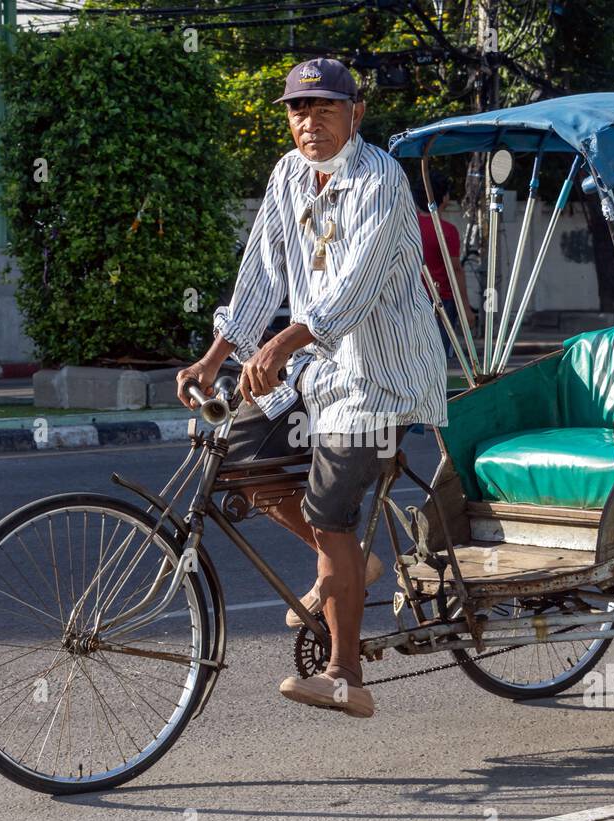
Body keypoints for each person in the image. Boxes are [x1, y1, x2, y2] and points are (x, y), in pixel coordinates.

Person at [175, 58, 447, 718]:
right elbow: (260, 276)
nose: (310, 121)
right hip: (312, 365)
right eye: (299, 109)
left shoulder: (380, 180)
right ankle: (350, 562)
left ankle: (346, 675)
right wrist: (216, 356)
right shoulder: (288, 176)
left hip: (379, 376)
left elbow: (353, 291)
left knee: (330, 515)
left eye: (326, 108)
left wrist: (282, 343)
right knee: (241, 461)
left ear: (356, 114)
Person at [411, 170, 476, 359]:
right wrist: (466, 307)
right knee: (439, 354)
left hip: (412, 298)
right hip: (442, 301)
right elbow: (456, 270)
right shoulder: (447, 231)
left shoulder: (409, 226)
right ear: (444, 197)